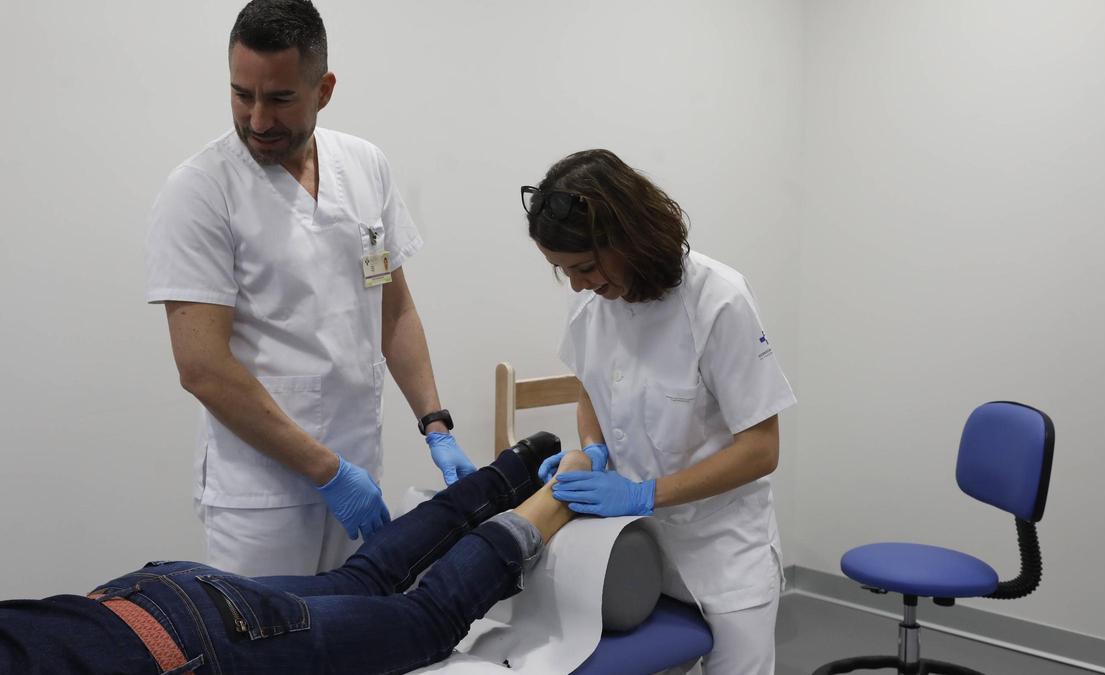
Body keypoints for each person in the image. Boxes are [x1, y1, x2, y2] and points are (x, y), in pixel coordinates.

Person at [145, 0, 476, 578]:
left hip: (358, 470)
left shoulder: (365, 165)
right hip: (262, 494)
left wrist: (435, 423)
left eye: (279, 99)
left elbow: (392, 310)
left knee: (360, 642)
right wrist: (327, 471)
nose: (257, 120)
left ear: (323, 89)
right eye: (241, 95)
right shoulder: (200, 191)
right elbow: (202, 368)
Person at [524, 149, 797, 674]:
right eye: (562, 272)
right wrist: (594, 451)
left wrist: (645, 493)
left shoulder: (719, 301)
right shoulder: (589, 301)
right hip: (635, 554)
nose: (577, 284)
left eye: (583, 267)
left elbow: (762, 450)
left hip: (722, 556)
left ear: (629, 236)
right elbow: (591, 388)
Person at [0, 435, 583, 674]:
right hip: (144, 598)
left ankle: (557, 490)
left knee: (428, 619)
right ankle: (517, 465)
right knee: (363, 578)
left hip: (191, 644)